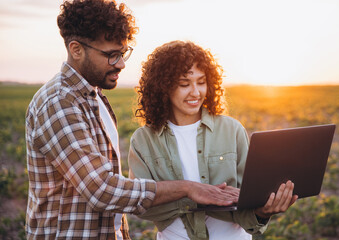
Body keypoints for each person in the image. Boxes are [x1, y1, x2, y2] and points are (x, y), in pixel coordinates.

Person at [25, 1, 240, 239]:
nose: (121, 64)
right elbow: (102, 190)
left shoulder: (94, 98)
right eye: (111, 55)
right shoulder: (59, 103)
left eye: (123, 53)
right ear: (76, 49)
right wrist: (188, 188)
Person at [128, 40, 298, 240]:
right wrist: (195, 197)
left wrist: (262, 212)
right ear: (163, 87)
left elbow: (246, 201)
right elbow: (141, 206)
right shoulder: (143, 140)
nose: (196, 92)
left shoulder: (232, 129)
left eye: (201, 82)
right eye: (184, 84)